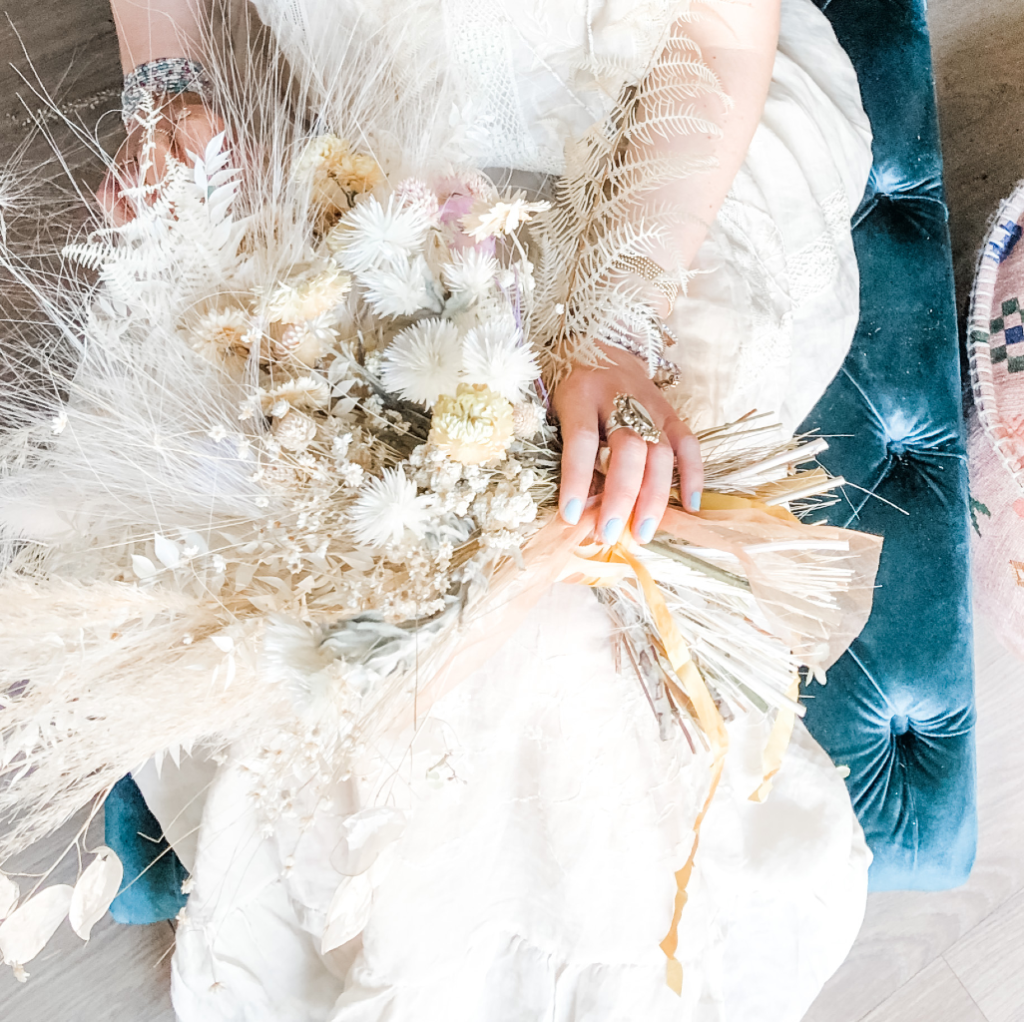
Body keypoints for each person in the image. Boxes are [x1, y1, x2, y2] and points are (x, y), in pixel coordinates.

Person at [95, 0, 875, 1018]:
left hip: (667, 158)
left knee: (552, 599)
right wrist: (167, 88)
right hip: (384, 170)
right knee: (367, 589)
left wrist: (616, 329)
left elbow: (721, 34)